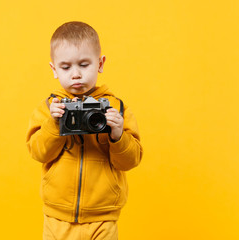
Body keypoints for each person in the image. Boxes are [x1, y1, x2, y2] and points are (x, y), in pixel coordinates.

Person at [26, 21, 143, 240]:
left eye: (84, 64)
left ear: (100, 63)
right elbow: (38, 152)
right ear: (54, 69)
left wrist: (118, 136)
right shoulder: (49, 108)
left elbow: (132, 160)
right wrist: (54, 124)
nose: (76, 74)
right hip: (57, 216)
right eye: (66, 67)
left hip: (103, 216)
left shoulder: (116, 108)